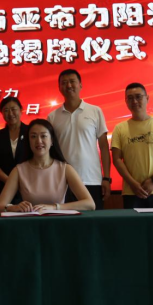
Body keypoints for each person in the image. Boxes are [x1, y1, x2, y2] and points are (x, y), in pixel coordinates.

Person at [0, 119, 95, 213]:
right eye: (33, 136)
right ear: (28, 141)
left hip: (58, 223)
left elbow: (90, 204)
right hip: (30, 223)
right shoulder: (18, 170)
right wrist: (13, 207)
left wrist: (55, 207)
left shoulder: (65, 169)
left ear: (52, 140)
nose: (39, 141)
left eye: (43, 136)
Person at [47, 69, 112, 209]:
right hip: (62, 181)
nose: (68, 85)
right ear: (59, 87)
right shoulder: (52, 117)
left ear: (80, 85)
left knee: (92, 220)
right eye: (64, 82)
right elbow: (49, 151)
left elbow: (104, 146)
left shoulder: (95, 111)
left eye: (72, 81)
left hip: (92, 179)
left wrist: (106, 178)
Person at [111, 82, 153, 209]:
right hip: (132, 192)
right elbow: (116, 159)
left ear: (147, 98)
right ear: (126, 101)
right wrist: (133, 184)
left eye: (138, 97)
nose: (134, 101)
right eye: (130, 98)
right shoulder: (119, 128)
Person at [0, 96, 30, 204]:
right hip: (3, 188)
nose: (10, 113)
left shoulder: (31, 132)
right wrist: (9, 181)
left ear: (21, 110)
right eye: (6, 110)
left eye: (13, 109)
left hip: (28, 187)